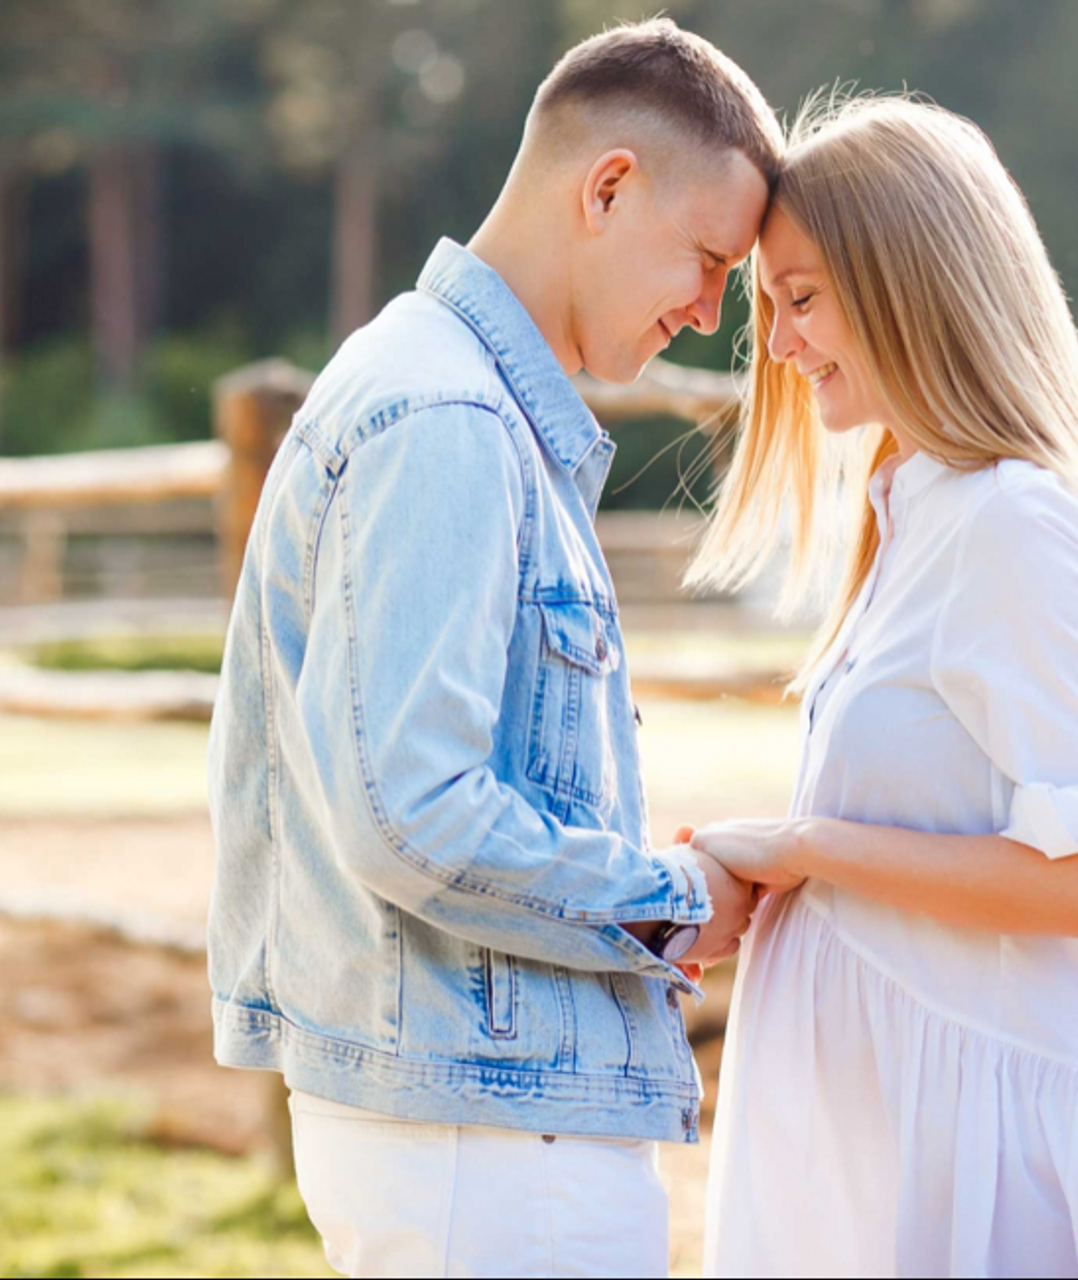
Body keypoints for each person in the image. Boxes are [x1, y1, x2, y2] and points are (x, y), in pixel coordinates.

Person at [205, 18, 781, 1279]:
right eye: (704, 261)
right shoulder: (449, 418)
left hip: (469, 1116)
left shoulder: (442, 393)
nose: (703, 311)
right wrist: (672, 898)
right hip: (484, 1134)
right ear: (607, 185)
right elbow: (413, 814)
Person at [685, 96, 1078, 1278]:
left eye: (800, 298)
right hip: (882, 1150)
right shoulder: (909, 514)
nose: (778, 343)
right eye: (770, 307)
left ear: (912, 280)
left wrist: (805, 843)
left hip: (973, 1168)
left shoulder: (1010, 522)